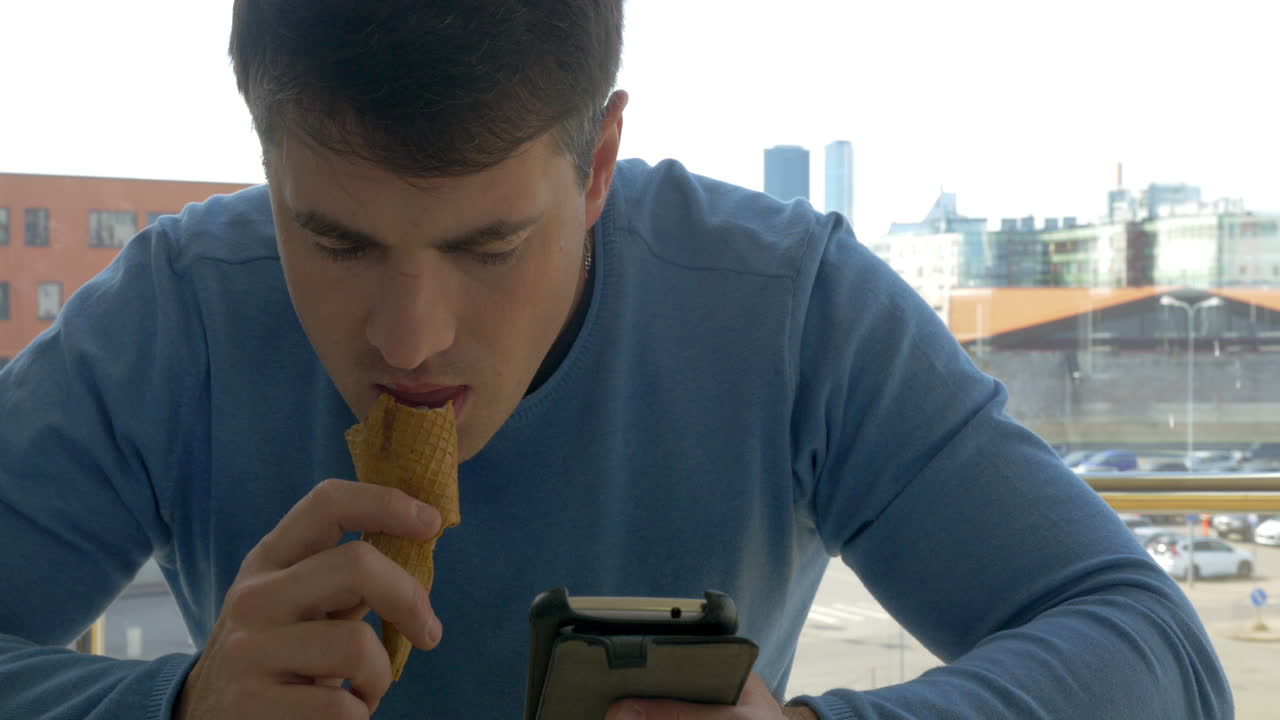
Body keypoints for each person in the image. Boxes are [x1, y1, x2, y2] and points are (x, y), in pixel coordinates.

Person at [0, 2, 1232, 718]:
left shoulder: (785, 308)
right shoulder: (172, 319)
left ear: (595, 169)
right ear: (267, 169)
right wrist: (172, 707)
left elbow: (1154, 650)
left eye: (488, 243)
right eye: (331, 237)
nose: (409, 339)